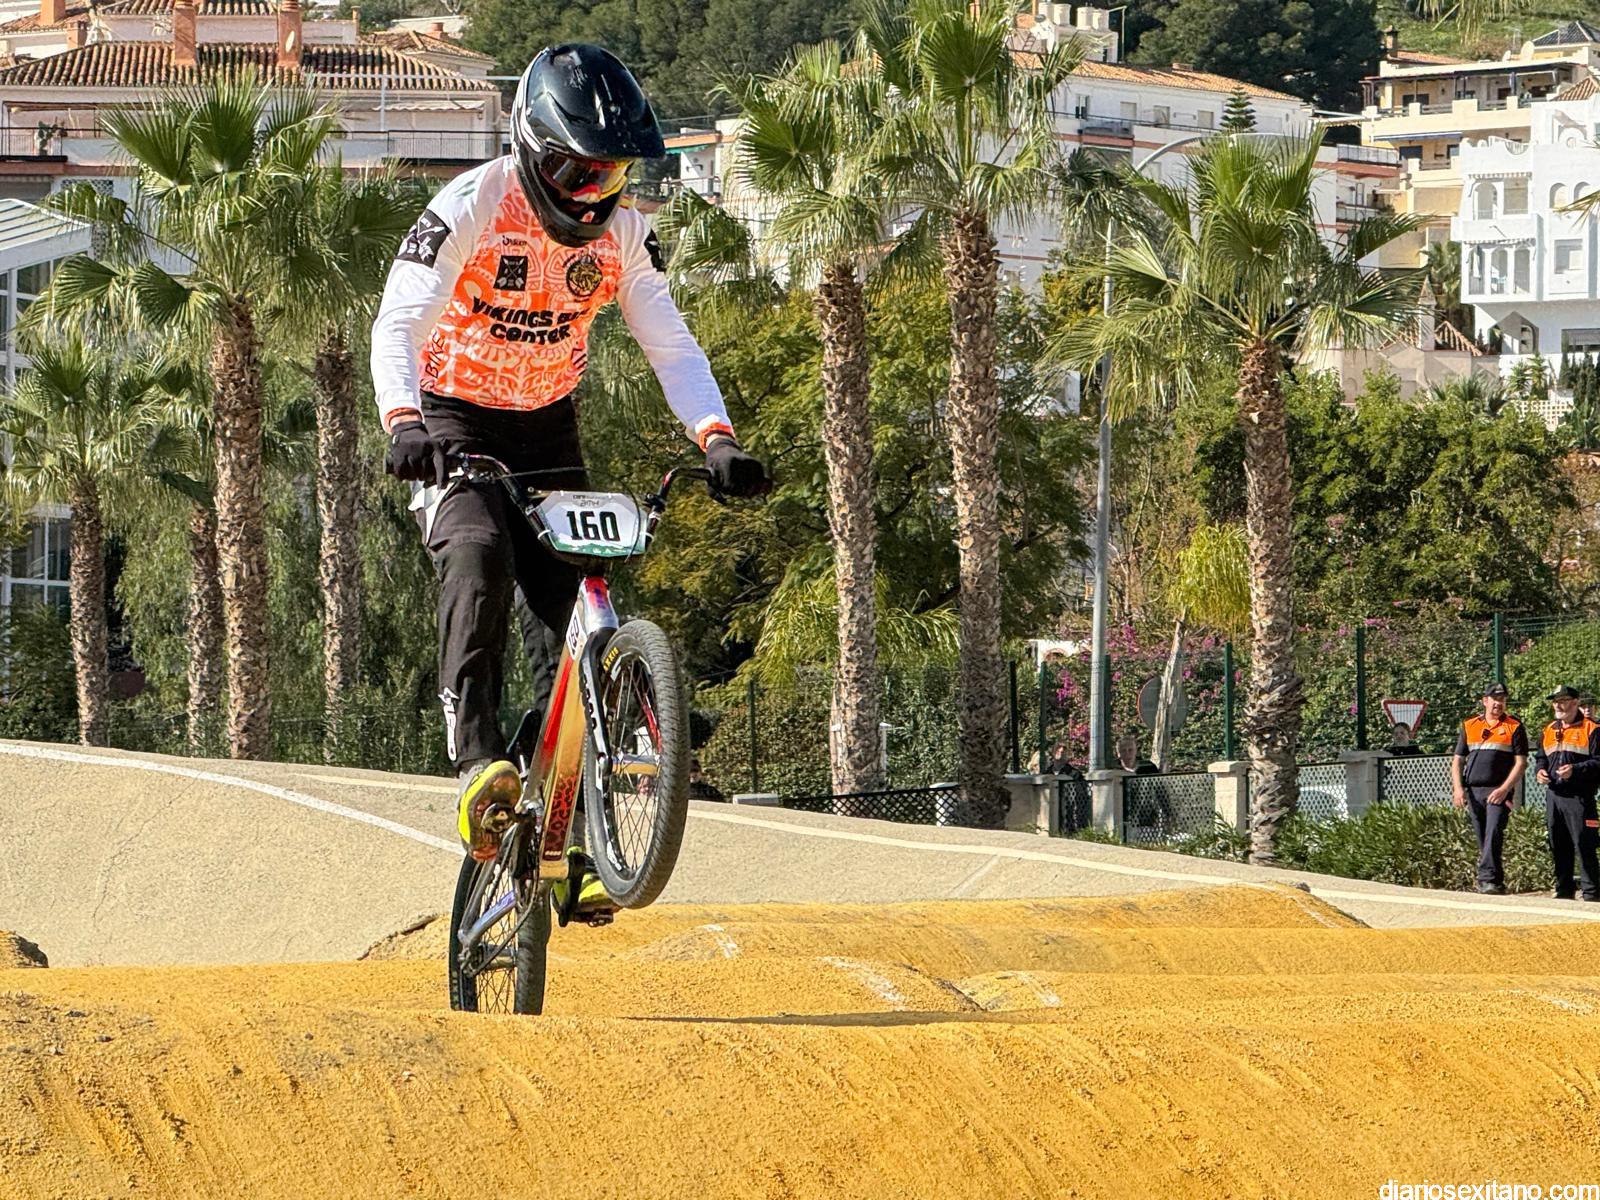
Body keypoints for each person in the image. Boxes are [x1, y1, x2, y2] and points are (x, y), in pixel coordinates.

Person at [370, 44, 769, 911]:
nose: (592, 194)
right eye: (575, 173)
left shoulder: (623, 234)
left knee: (579, 615)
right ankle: (478, 762)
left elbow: (670, 341)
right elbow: (399, 319)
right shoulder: (472, 204)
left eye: (610, 175)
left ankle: (580, 835)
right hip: (453, 419)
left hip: (548, 425)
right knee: (478, 555)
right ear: (528, 146)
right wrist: (404, 422)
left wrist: (716, 438)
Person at [1451, 683, 1527, 895]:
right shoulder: (1470, 725)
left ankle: (1486, 879)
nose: (1499, 703)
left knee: (1493, 833)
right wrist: (1458, 789)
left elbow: (1521, 763)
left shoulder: (1514, 726)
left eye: (1502, 699)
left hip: (1498, 792)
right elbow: (1458, 760)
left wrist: (1504, 789)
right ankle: (1496, 881)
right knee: (1483, 838)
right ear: (1485, 701)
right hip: (1474, 791)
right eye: (1495, 699)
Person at [1533, 685, 1600, 902]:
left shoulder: (1592, 729)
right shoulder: (1549, 729)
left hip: (1579, 797)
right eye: (1555, 701)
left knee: (1584, 843)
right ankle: (1564, 889)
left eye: (1562, 701)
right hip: (1554, 795)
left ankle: (1592, 892)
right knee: (1558, 843)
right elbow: (1541, 757)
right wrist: (1539, 771)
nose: (1558, 705)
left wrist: (1575, 770)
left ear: (1575, 703)